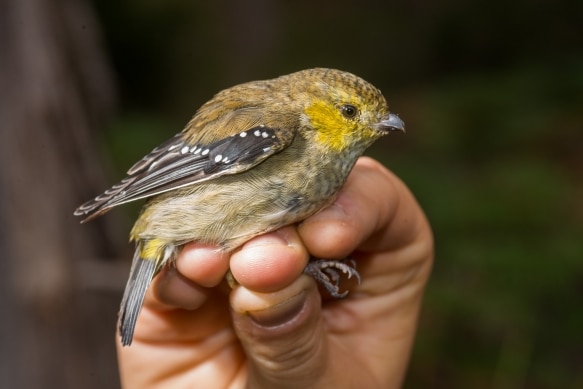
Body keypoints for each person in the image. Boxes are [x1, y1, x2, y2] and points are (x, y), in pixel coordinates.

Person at [116, 157, 434, 388]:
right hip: (182, 216)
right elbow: (194, 163)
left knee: (260, 263)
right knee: (259, 264)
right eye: (349, 113)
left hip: (217, 243)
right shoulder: (280, 130)